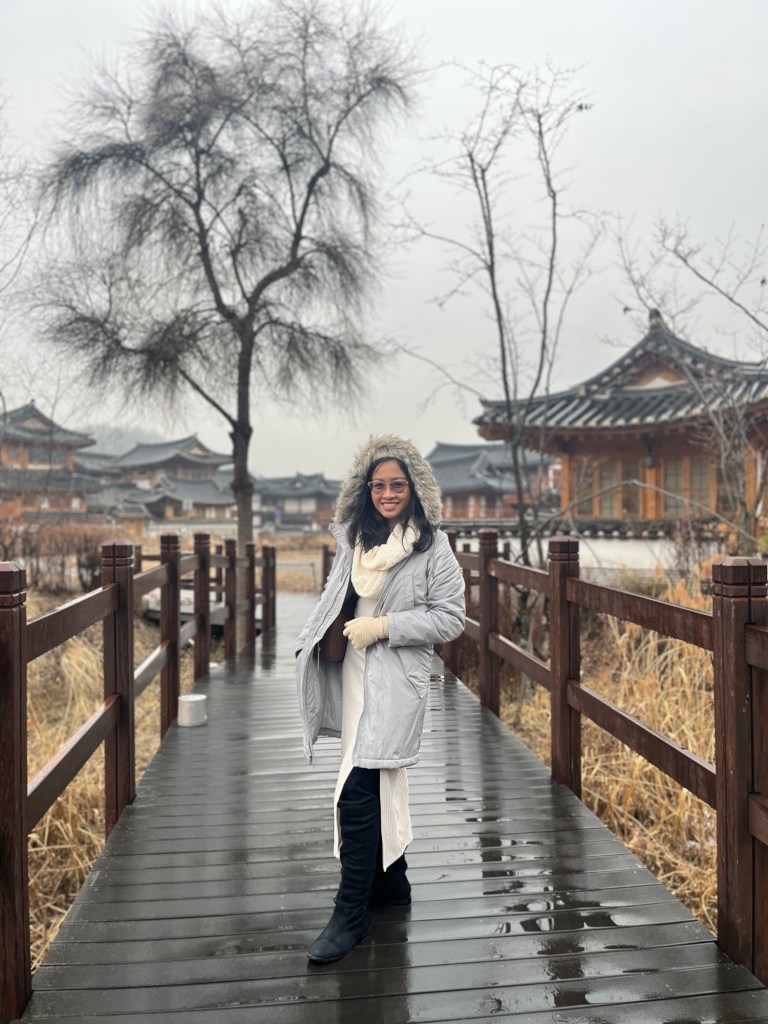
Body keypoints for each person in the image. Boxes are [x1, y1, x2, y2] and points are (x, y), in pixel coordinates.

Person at [295, 434, 465, 964]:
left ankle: (351, 913)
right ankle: (392, 883)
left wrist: (386, 625)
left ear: (414, 488)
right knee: (379, 777)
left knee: (357, 787)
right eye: (378, 485)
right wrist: (314, 634)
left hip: (395, 680)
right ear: (365, 490)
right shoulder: (354, 540)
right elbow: (334, 600)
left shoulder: (431, 546)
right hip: (352, 676)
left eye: (397, 485)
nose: (387, 494)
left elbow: (451, 618)